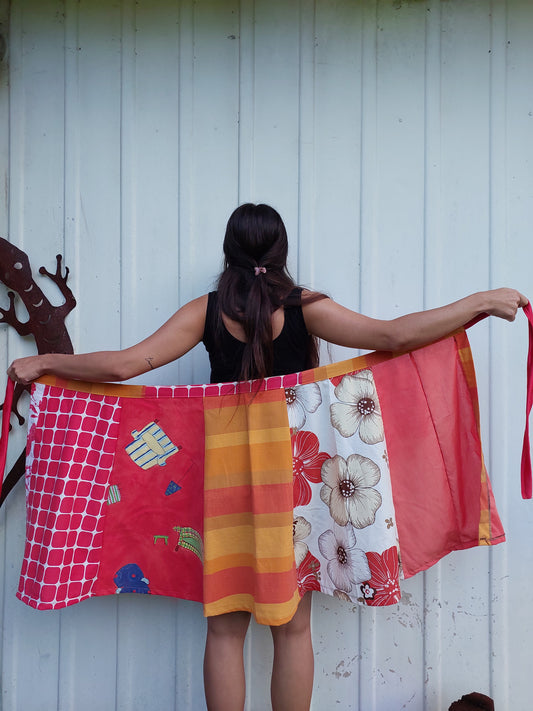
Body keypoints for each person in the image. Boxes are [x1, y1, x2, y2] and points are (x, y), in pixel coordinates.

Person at [7, 203, 527, 711]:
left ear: (228, 251)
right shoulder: (305, 307)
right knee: (293, 625)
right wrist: (477, 302)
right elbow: (392, 336)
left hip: (222, 478)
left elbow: (123, 367)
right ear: (281, 250)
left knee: (225, 628)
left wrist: (46, 361)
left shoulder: (205, 311)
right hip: (293, 479)